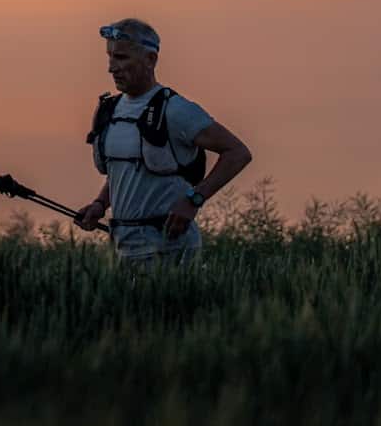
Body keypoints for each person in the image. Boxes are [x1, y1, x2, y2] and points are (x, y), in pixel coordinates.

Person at [74, 18, 253, 265]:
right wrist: (100, 204)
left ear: (150, 60)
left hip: (169, 250)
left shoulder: (176, 110)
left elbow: (238, 153)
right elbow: (123, 173)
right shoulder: (110, 110)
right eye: (110, 57)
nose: (112, 67)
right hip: (121, 250)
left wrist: (194, 200)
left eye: (122, 58)